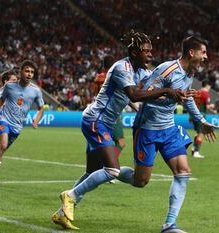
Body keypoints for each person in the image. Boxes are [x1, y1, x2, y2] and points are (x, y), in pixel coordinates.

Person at [51, 30, 186, 230]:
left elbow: (148, 93)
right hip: (96, 121)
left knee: (92, 172)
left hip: (104, 122)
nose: (150, 55)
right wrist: (166, 91)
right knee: (112, 170)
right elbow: (134, 94)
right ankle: (69, 196)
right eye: (146, 51)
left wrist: (174, 94)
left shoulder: (141, 71)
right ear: (134, 52)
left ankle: (63, 212)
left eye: (151, 51)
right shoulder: (122, 67)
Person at [117, 36, 218, 233]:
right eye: (203, 52)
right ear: (192, 52)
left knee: (183, 172)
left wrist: (200, 120)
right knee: (140, 181)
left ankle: (169, 225)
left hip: (169, 129)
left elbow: (186, 99)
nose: (206, 56)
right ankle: (110, 171)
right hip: (147, 128)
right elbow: (143, 95)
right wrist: (169, 94)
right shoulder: (167, 69)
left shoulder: (190, 72)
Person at [0, 60, 44, 191]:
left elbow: (41, 108)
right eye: (27, 71)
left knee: (1, 150)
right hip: (3, 119)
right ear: (21, 72)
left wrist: (36, 120)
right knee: (3, 145)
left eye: (32, 72)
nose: (29, 74)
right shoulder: (10, 86)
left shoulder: (36, 91)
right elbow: (1, 99)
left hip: (17, 126)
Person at [190, 80, 213, 158]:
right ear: (207, 85)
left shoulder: (196, 92)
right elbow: (207, 107)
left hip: (194, 115)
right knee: (201, 133)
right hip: (201, 115)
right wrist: (212, 106)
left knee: (198, 132)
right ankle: (196, 152)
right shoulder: (206, 94)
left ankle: (193, 148)